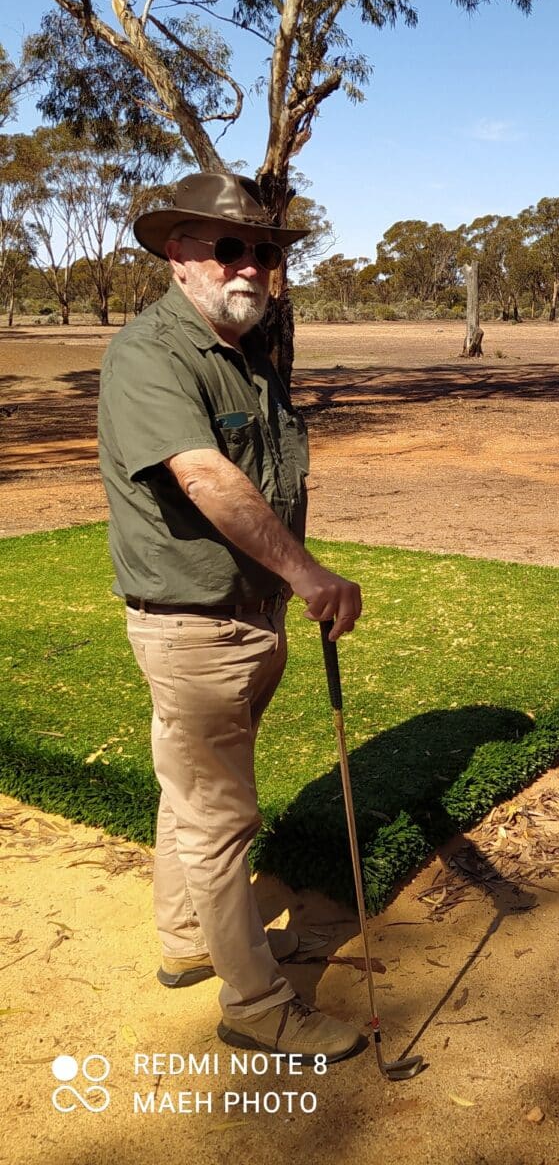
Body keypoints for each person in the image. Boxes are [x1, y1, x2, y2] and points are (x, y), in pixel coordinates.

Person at [96, 172, 365, 1064]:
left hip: (245, 621)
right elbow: (207, 478)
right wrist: (310, 575)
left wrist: (284, 590)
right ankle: (255, 1006)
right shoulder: (151, 354)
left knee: (192, 795)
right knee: (221, 818)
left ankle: (190, 942)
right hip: (196, 625)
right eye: (228, 247)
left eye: (264, 249)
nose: (250, 264)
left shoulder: (242, 352)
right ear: (179, 255)